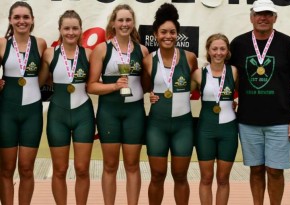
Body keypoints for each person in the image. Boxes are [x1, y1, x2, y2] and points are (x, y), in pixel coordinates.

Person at [229, 0, 290, 204]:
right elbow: (229, 76)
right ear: (251, 17)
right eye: (259, 14)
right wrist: (229, 99)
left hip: (280, 120)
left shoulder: (287, 44)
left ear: (275, 18)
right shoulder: (239, 43)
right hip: (248, 120)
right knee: (257, 169)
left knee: (275, 171)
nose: (263, 18)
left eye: (268, 14)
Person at [87, 4, 148, 205]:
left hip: (134, 113)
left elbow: (148, 83)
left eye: (128, 20)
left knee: (132, 165)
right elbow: (91, 86)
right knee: (110, 165)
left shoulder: (143, 50)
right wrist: (114, 86)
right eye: (120, 20)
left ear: (133, 23)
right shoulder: (102, 49)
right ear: (113, 23)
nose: (124, 24)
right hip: (109, 113)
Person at [142, 3, 198, 205]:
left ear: (178, 34)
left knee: (181, 176)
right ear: (156, 34)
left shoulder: (190, 58)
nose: (168, 36)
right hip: (157, 126)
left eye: (172, 32)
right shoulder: (148, 60)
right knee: (157, 175)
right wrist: (151, 94)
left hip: (183, 127)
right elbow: (145, 87)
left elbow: (198, 86)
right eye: (163, 32)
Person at [39, 10, 95, 205]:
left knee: (81, 169)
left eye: (75, 28)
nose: (71, 32)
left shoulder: (89, 54)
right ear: (60, 30)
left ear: (81, 30)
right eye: (66, 28)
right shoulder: (49, 53)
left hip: (83, 115)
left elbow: (97, 83)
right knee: (60, 169)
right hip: (58, 115)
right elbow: (37, 83)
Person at [0, 1, 47, 204]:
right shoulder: (2, 44)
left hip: (32, 113)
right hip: (6, 112)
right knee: (6, 169)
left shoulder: (41, 43)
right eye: (17, 17)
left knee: (27, 168)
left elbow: (44, 77)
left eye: (25, 17)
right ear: (10, 20)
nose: (21, 21)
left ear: (32, 20)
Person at [194, 33, 238, 205]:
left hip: (228, 131)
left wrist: (235, 103)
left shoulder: (233, 72)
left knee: (223, 179)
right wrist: (154, 94)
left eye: (222, 49)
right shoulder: (198, 74)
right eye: (214, 49)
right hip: (206, 130)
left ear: (227, 51)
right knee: (206, 178)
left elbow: (246, 94)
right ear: (208, 51)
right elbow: (179, 92)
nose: (218, 53)